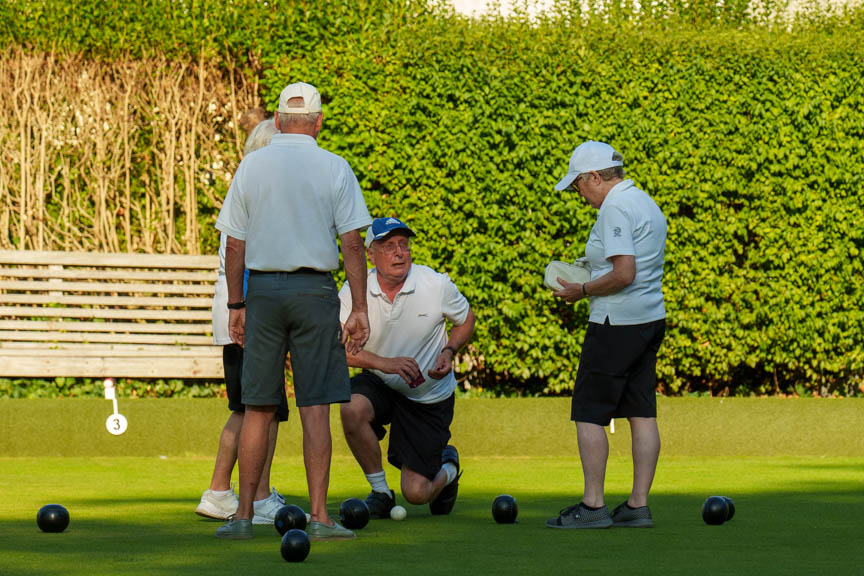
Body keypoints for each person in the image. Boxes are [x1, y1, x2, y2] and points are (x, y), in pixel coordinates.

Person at [214, 82, 372, 540]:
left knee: (258, 406)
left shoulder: (252, 165)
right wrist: (359, 307)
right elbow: (352, 243)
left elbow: (235, 244)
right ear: (319, 122)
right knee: (316, 407)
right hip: (314, 292)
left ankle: (242, 516)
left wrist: (235, 305)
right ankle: (320, 517)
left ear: (279, 121)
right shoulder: (335, 166)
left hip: (261, 292)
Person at [546, 141, 667, 529]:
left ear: (594, 177)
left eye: (578, 185)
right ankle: (637, 506)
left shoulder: (614, 207)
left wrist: (580, 290)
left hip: (615, 324)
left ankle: (593, 505)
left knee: (588, 411)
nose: (578, 194)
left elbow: (624, 272)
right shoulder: (644, 201)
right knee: (641, 411)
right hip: (649, 320)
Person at [339, 217, 475, 518]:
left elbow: (466, 319)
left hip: (427, 398)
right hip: (380, 384)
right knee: (351, 407)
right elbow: (330, 349)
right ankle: (380, 493)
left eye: (404, 245)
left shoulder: (435, 284)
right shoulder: (352, 290)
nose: (399, 253)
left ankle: (448, 467)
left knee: (416, 494)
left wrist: (449, 351)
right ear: (370, 255)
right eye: (389, 246)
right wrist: (384, 364)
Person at [195, 118, 289, 525]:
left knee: (249, 407)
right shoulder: (258, 194)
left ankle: (220, 491)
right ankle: (261, 496)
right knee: (261, 408)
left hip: (243, 314)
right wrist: (247, 311)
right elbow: (243, 255)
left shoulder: (249, 188)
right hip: (248, 316)